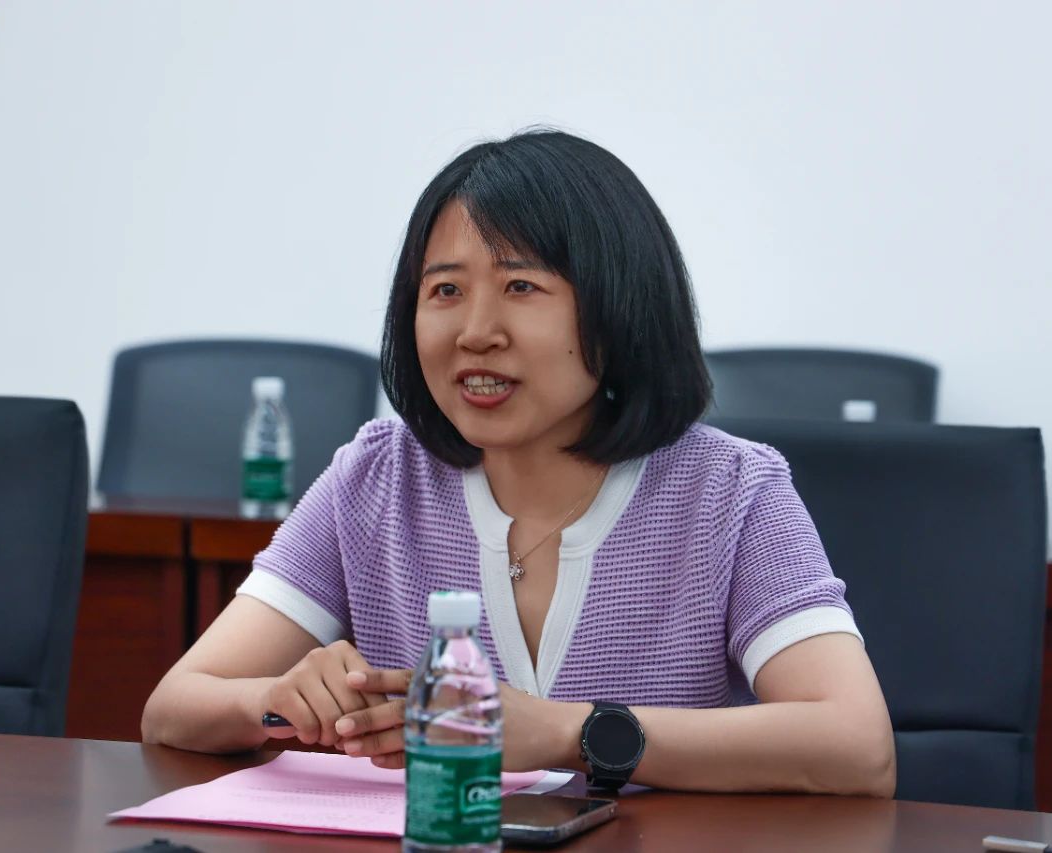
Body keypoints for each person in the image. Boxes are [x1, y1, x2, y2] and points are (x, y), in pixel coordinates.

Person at [141, 129, 896, 797]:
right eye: (445, 289)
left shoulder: (730, 490)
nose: (476, 331)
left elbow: (857, 747)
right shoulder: (375, 478)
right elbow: (173, 708)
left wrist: (570, 732)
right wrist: (277, 699)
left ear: (619, 308)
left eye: (521, 286)